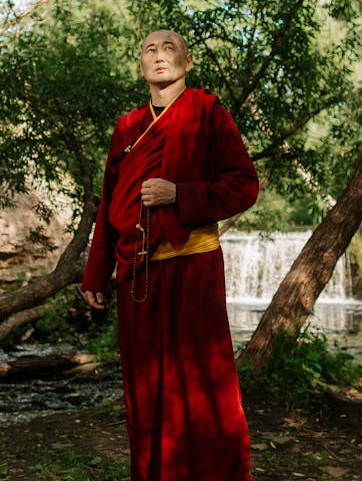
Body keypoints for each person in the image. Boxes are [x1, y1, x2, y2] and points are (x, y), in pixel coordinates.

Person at [80, 29, 259, 481]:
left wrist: (181, 194)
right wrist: (95, 274)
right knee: (147, 386)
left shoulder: (208, 113)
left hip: (193, 266)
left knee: (202, 385)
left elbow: (245, 185)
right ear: (140, 64)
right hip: (137, 275)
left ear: (188, 61)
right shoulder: (127, 127)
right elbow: (108, 203)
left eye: (170, 48)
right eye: (149, 50)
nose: (159, 57)